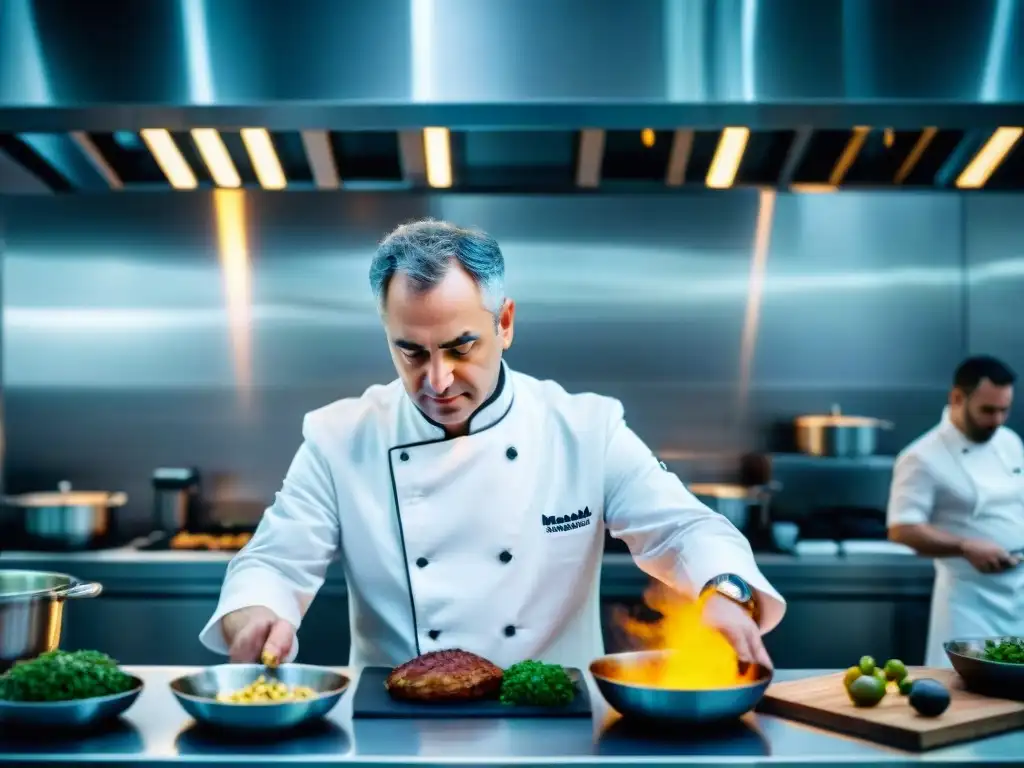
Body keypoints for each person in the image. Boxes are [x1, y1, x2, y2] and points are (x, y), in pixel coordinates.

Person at [199, 218, 786, 671]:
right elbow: (274, 562)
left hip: (555, 733)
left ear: (504, 323)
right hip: (396, 732)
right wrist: (256, 615)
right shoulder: (340, 438)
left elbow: (686, 530)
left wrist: (725, 590)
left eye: (460, 346)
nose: (437, 379)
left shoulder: (584, 429)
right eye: (411, 350)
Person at [887, 355, 1023, 667]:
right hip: (969, 603)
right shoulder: (921, 457)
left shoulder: (1010, 442)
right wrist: (965, 546)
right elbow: (902, 528)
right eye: (988, 410)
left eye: (1005, 409)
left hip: (1019, 594)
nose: (998, 420)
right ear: (957, 398)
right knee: (965, 692)